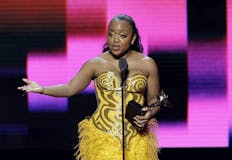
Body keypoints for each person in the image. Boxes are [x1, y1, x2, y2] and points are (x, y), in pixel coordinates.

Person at [18, 14, 162, 160]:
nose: (115, 40)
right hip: (103, 137)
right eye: (111, 34)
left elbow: (155, 101)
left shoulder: (147, 64)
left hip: (137, 139)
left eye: (122, 35)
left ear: (133, 38)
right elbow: (70, 88)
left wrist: (149, 113)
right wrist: (42, 89)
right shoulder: (96, 64)